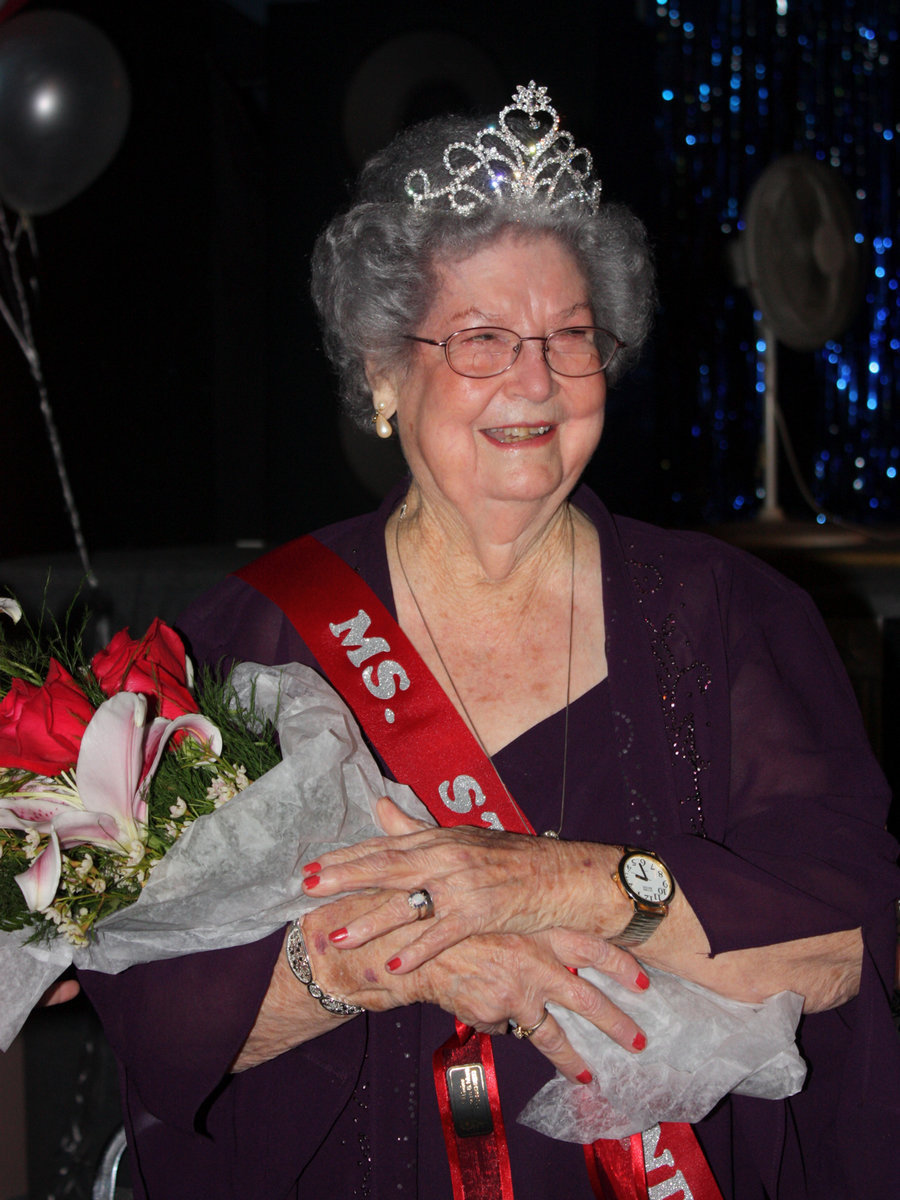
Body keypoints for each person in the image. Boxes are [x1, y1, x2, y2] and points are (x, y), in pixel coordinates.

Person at [80, 83, 900, 1200]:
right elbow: (156, 1012)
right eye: (480, 340)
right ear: (381, 372)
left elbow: (847, 943)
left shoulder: (730, 616)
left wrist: (566, 882)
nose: (536, 380)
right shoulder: (248, 635)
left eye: (571, 335)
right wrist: (391, 960)